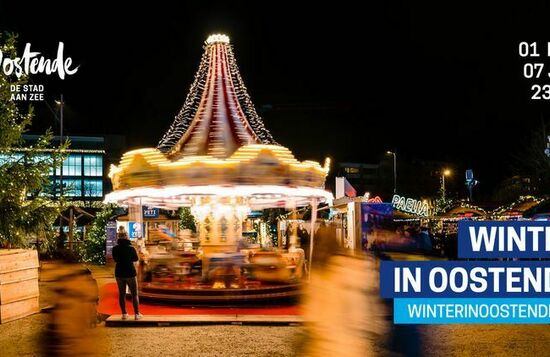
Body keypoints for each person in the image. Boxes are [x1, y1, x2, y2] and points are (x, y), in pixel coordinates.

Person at [112, 226, 142, 320]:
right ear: (126, 237)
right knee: (134, 293)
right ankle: (137, 314)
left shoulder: (115, 248)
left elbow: (115, 259)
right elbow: (135, 259)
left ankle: (124, 314)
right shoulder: (131, 248)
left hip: (119, 272)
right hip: (130, 271)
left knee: (121, 294)